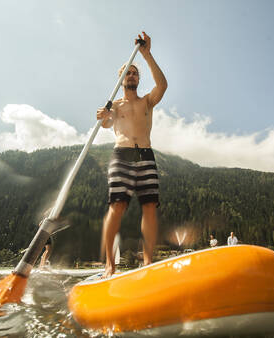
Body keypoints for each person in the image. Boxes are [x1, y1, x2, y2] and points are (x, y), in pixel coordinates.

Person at [97, 31, 167, 278]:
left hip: (145, 155)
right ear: (120, 78)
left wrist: (147, 55)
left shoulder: (147, 101)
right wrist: (104, 116)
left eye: (135, 72)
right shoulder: (114, 106)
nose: (132, 75)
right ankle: (110, 264)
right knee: (117, 206)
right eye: (127, 72)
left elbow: (163, 85)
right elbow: (106, 124)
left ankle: (147, 262)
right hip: (122, 155)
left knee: (149, 207)